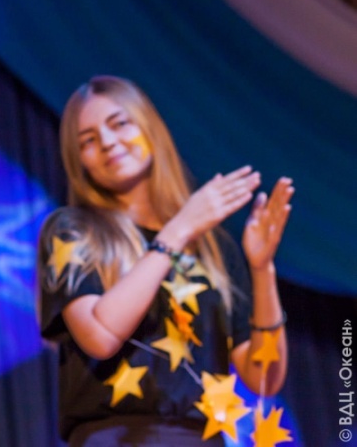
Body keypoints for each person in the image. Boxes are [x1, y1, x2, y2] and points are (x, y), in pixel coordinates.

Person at [37, 76, 292, 446]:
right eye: (88, 141)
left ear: (150, 127)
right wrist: (179, 229)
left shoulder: (213, 248)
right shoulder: (73, 231)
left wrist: (262, 269)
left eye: (120, 123)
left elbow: (264, 378)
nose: (108, 142)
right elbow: (100, 337)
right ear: (80, 162)